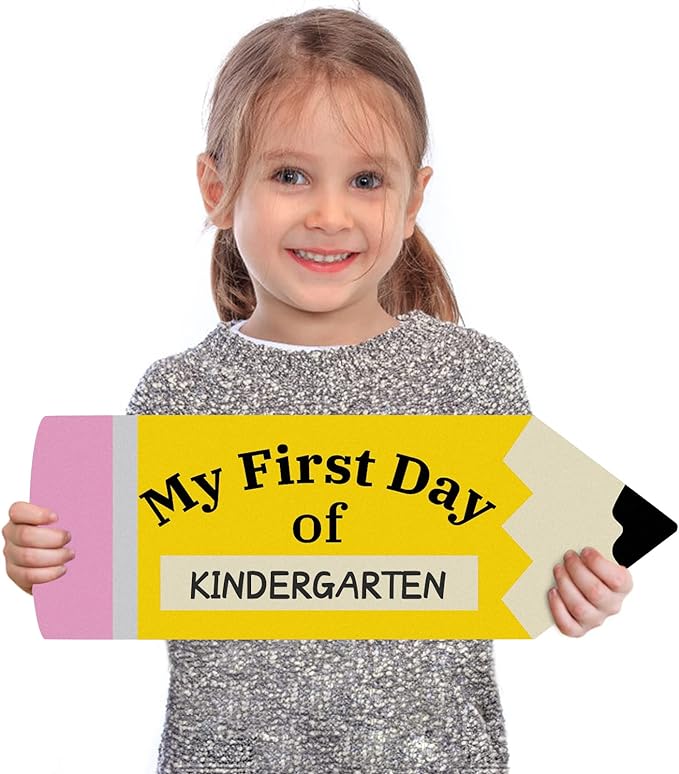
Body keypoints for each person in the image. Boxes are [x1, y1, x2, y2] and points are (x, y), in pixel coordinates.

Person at [2, 7, 633, 772]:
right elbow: (105, 575)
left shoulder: (470, 380)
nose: (329, 213)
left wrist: (585, 590)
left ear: (411, 201)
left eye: (365, 179)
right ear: (217, 187)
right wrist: (41, 561)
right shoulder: (177, 395)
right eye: (289, 175)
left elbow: (562, 561)